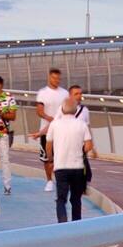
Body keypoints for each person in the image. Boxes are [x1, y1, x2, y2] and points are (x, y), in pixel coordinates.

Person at [45, 87, 95, 223]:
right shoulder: (81, 124)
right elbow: (89, 145)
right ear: (75, 110)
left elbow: (48, 145)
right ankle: (76, 224)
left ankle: (62, 223)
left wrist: (51, 159)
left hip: (61, 167)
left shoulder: (54, 125)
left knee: (61, 199)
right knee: (76, 199)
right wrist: (81, 151)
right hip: (77, 167)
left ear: (62, 109)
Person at [30, 68, 68, 192]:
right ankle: (49, 181)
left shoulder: (65, 93)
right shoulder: (43, 93)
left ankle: (61, 180)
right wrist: (49, 118)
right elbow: (39, 111)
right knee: (48, 158)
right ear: (49, 78)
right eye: (54, 78)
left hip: (62, 130)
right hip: (46, 130)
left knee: (61, 157)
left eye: (58, 78)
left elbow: (68, 109)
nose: (56, 80)